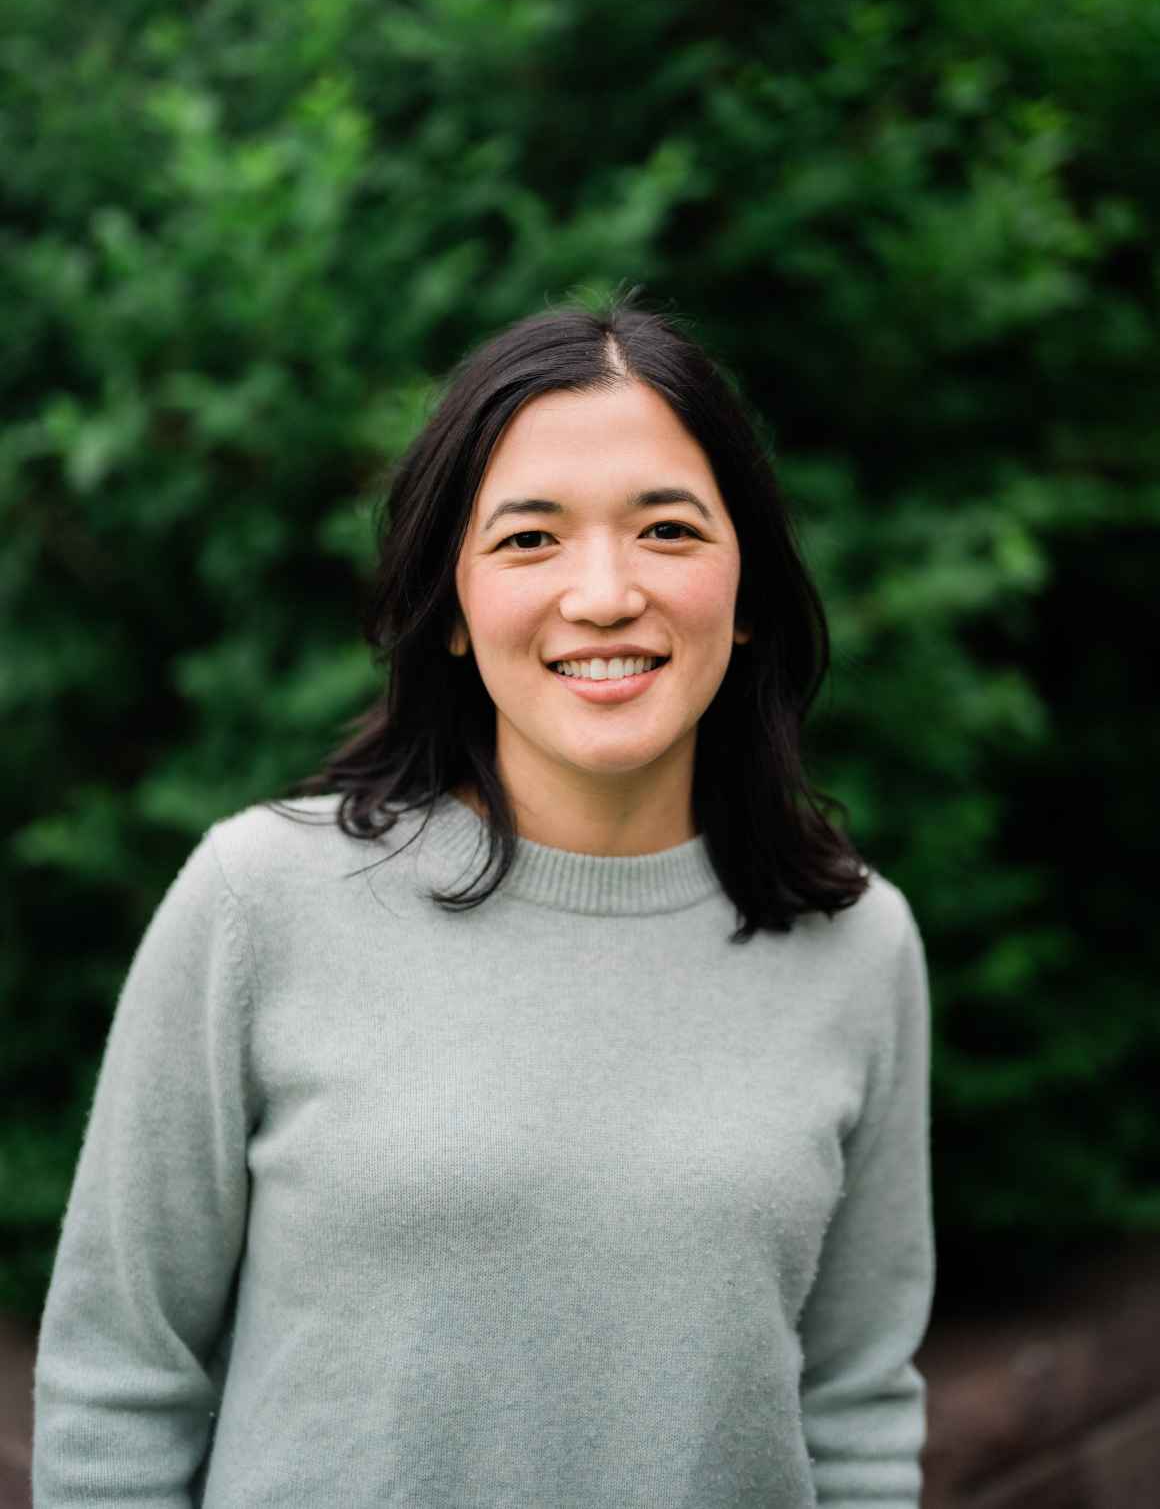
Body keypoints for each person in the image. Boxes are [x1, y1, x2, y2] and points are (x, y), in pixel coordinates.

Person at [32, 293, 935, 1507]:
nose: (605, 593)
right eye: (528, 540)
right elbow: (117, 1390)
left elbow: (856, 1411)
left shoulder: (856, 943)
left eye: (666, 529)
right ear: (451, 608)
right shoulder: (260, 903)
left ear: (750, 585)